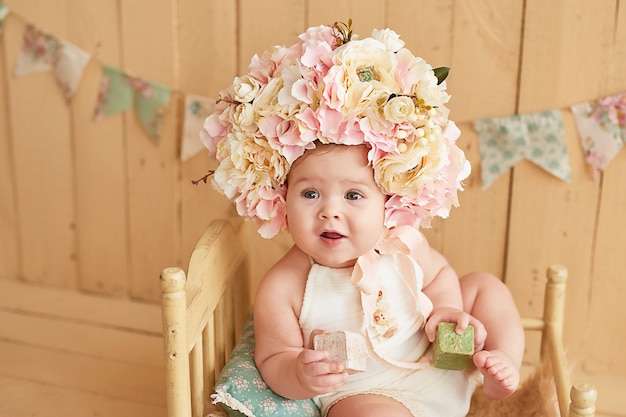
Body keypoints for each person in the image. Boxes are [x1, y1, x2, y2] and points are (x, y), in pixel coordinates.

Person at [201, 20, 524, 417]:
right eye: (310, 194)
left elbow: (440, 277)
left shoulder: (402, 241)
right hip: (369, 392)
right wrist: (299, 373)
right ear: (281, 199)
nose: (330, 211)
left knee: (485, 288)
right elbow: (273, 359)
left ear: (386, 201)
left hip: (439, 362)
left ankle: (499, 367)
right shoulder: (282, 287)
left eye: (353, 195)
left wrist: (445, 310)